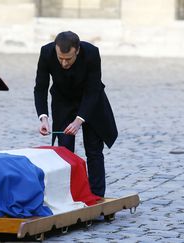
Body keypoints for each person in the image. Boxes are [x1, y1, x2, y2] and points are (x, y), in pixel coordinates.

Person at [34, 31, 117, 198]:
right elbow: (41, 87)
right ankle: (65, 196)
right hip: (63, 102)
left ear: (77, 51)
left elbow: (94, 90)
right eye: (60, 58)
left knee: (93, 150)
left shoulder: (92, 53)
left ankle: (96, 196)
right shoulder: (46, 52)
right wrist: (43, 117)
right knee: (64, 151)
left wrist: (79, 120)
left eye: (69, 59)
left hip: (91, 101)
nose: (64, 63)